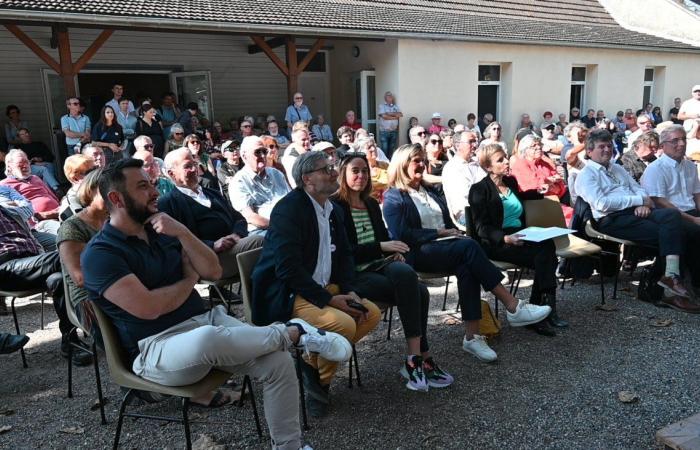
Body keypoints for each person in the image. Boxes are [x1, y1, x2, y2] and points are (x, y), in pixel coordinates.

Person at [82, 158, 347, 447]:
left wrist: (182, 232)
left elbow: (213, 271)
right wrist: (187, 281)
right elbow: (149, 308)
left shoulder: (164, 231)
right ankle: (293, 333)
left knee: (278, 361)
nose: (155, 192)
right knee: (208, 337)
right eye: (143, 186)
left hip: (207, 325)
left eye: (152, 183)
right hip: (155, 348)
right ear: (116, 198)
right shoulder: (101, 254)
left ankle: (289, 446)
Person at [382, 144, 552, 362]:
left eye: (423, 160)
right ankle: (512, 305)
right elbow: (402, 233)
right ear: (402, 164)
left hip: (445, 248)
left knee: (467, 263)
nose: (422, 164)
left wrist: (448, 233)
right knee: (470, 247)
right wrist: (439, 232)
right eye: (417, 160)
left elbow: (447, 219)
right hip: (416, 253)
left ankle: (472, 338)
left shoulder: (430, 191)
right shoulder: (394, 196)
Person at [251, 151, 381, 416]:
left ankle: (312, 370)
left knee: (370, 314)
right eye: (327, 169)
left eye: (332, 167)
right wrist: (330, 300)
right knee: (344, 324)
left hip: (322, 287)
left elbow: (344, 254)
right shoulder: (289, 210)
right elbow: (287, 269)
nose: (335, 173)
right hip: (289, 292)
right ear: (308, 179)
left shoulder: (331, 207)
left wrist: (348, 289)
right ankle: (318, 382)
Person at [331, 153, 454, 391]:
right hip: (353, 275)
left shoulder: (369, 204)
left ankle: (417, 359)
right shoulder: (336, 207)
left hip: (378, 267)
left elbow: (384, 238)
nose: (361, 175)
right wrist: (381, 248)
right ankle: (419, 359)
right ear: (342, 175)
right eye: (355, 171)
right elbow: (344, 253)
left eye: (365, 171)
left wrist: (391, 251)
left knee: (415, 286)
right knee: (415, 287)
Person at [575, 129, 699, 311]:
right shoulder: (587, 175)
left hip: (635, 213)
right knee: (678, 233)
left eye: (609, 146)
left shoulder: (616, 168)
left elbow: (639, 188)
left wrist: (644, 203)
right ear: (589, 151)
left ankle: (671, 277)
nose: (607, 150)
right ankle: (667, 291)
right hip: (611, 220)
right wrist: (637, 201)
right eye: (601, 147)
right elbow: (601, 203)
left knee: (672, 217)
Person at [469, 144, 564, 334]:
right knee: (544, 256)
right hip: (496, 241)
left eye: (506, 157)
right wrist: (505, 238)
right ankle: (543, 309)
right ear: (488, 167)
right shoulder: (479, 189)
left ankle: (540, 309)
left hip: (520, 233)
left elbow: (520, 196)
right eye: (500, 160)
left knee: (547, 246)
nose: (506, 162)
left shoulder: (510, 182)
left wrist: (540, 191)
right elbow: (481, 228)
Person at [0, 204, 92, 365]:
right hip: (6, 267)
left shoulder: (6, 210)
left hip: (32, 262)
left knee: (58, 279)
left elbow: (29, 218)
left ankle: (70, 340)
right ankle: (103, 316)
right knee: (64, 257)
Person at [159, 147, 263, 282]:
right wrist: (212, 245)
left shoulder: (212, 193)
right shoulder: (168, 203)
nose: (194, 169)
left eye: (194, 164)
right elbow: (173, 243)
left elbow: (239, 218)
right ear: (171, 174)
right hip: (207, 260)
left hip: (235, 247)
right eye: (187, 166)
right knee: (260, 242)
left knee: (268, 242)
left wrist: (236, 234)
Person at [640, 125, 700, 297]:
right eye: (675, 140)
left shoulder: (689, 166)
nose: (681, 144)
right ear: (663, 145)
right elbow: (660, 202)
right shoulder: (655, 168)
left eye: (683, 139)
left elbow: (697, 195)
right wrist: (693, 220)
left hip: (690, 212)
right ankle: (694, 283)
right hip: (670, 217)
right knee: (696, 232)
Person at [57, 169, 106, 333]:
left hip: (121, 287)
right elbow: (80, 278)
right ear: (91, 190)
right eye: (107, 189)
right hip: (88, 298)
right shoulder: (72, 227)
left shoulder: (118, 219)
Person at [229, 136, 290, 236]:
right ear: (244, 156)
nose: (262, 155)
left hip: (289, 223)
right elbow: (250, 217)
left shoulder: (276, 174)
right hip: (263, 231)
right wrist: (279, 226)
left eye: (264, 151)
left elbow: (292, 201)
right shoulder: (239, 182)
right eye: (257, 152)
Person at [1, 149, 60, 233]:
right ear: (9, 166)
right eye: (20, 163)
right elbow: (14, 212)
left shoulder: (35, 178)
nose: (25, 166)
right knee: (67, 231)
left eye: (27, 162)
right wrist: (43, 215)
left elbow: (53, 197)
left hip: (59, 214)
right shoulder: (4, 185)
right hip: (39, 223)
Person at [442, 130, 487, 226]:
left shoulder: (477, 163)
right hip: (467, 215)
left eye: (475, 141)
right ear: (458, 145)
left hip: (483, 209)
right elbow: (469, 195)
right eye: (471, 142)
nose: (475, 145)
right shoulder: (452, 167)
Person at [510, 135, 567, 199]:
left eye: (539, 144)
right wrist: (550, 181)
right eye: (534, 146)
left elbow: (561, 185)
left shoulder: (545, 163)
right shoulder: (520, 164)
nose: (539, 147)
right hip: (533, 203)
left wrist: (550, 185)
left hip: (554, 200)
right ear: (525, 150)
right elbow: (534, 185)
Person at [59, 154, 95, 221]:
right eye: (89, 172)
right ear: (75, 179)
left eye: (95, 169)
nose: (95, 173)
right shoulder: (72, 203)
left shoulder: (95, 191)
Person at [377, 91, 402, 157]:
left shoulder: (395, 106)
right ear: (385, 98)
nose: (390, 97)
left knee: (391, 148)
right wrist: (395, 117)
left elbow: (400, 114)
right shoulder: (382, 106)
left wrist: (389, 113)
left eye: (391, 95)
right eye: (388, 95)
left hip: (393, 131)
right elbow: (384, 117)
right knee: (384, 149)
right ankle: (384, 163)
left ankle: (390, 162)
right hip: (384, 132)